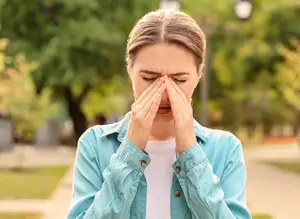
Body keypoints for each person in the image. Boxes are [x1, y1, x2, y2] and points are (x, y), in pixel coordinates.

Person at [67, 9, 251, 219]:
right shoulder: (95, 145)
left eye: (179, 80)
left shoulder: (225, 149)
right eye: (149, 78)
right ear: (130, 69)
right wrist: (131, 151)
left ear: (199, 74)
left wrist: (191, 154)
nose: (164, 92)